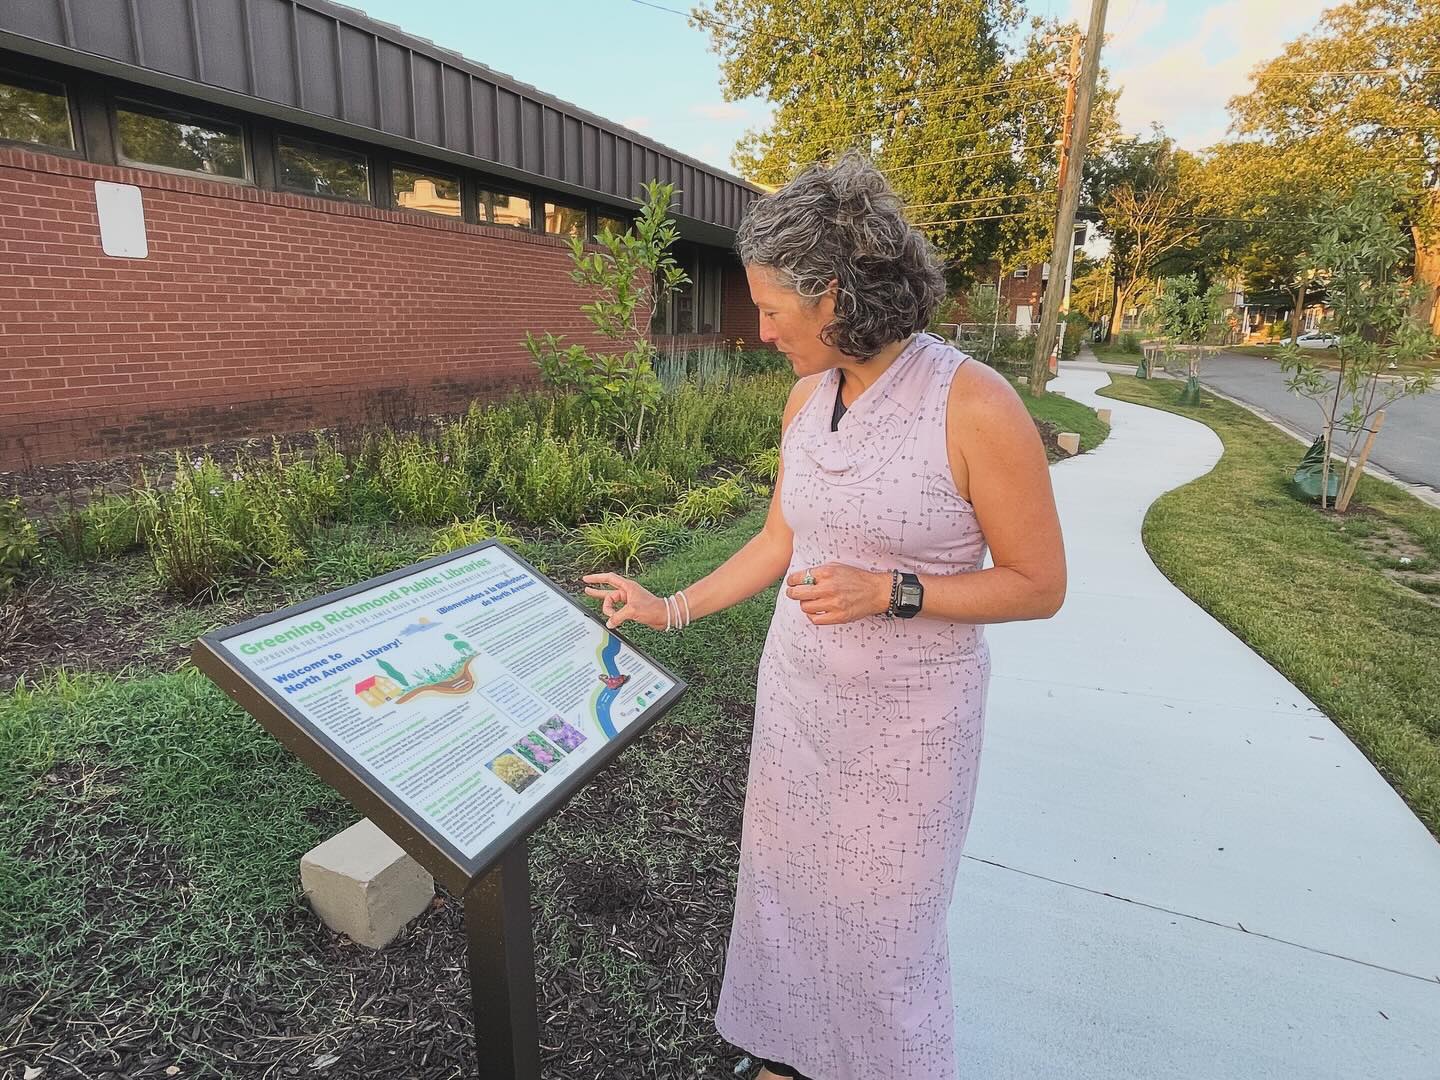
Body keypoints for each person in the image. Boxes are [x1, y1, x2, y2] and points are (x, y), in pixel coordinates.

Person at [582, 152, 1066, 1080]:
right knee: (788, 903)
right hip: (801, 709)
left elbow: (1039, 583)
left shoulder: (973, 405)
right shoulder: (807, 398)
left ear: (836, 296)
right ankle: (788, 1057)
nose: (761, 332)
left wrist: (895, 591)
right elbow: (780, 540)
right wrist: (670, 605)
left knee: (886, 934)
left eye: (771, 310)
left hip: (910, 731)